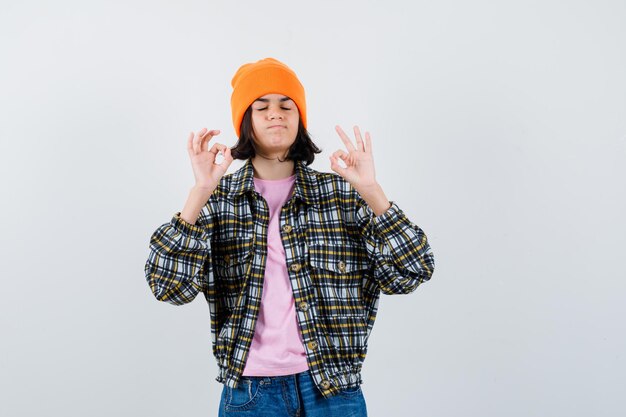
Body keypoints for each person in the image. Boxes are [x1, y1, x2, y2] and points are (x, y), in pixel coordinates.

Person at [144, 57, 435, 417]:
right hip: (251, 393)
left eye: (287, 105)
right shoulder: (218, 201)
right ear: (245, 121)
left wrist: (372, 191)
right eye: (261, 106)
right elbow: (167, 287)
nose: (275, 113)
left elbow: (413, 271)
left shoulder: (342, 195)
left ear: (301, 119)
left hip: (333, 389)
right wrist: (200, 191)